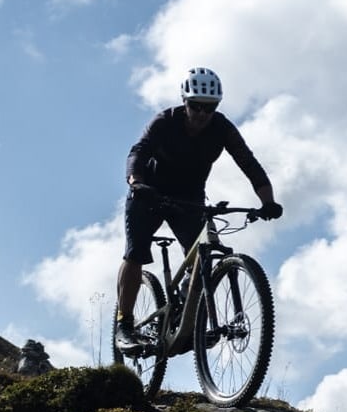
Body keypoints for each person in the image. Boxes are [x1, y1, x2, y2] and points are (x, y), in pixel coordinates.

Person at [115, 67, 282, 351]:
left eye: (209, 107)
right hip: (149, 193)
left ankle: (186, 313)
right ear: (185, 102)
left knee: (202, 256)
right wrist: (136, 182)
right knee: (136, 252)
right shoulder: (165, 121)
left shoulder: (222, 128)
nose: (202, 114)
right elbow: (139, 152)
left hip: (190, 197)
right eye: (196, 106)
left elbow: (249, 164)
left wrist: (268, 202)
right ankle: (124, 323)